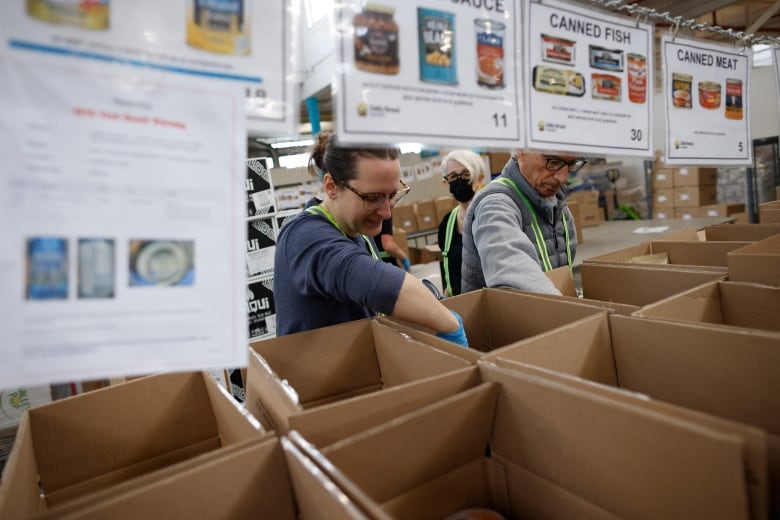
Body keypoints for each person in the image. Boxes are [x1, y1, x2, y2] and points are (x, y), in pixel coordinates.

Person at [274, 132, 468, 346]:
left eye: (392, 195)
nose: (386, 213)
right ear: (331, 187)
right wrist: (450, 325)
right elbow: (375, 284)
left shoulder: (354, 231)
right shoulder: (305, 237)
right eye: (373, 198)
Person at [461, 151, 587, 295]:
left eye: (571, 164)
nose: (563, 178)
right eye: (553, 161)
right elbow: (513, 273)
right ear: (521, 152)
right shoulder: (495, 206)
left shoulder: (558, 207)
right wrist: (568, 310)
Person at [437, 150, 485, 296]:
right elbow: (448, 268)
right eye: (453, 176)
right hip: (461, 306)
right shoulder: (447, 223)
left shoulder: (490, 214)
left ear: (479, 178)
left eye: (466, 174)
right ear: (446, 182)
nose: (459, 180)